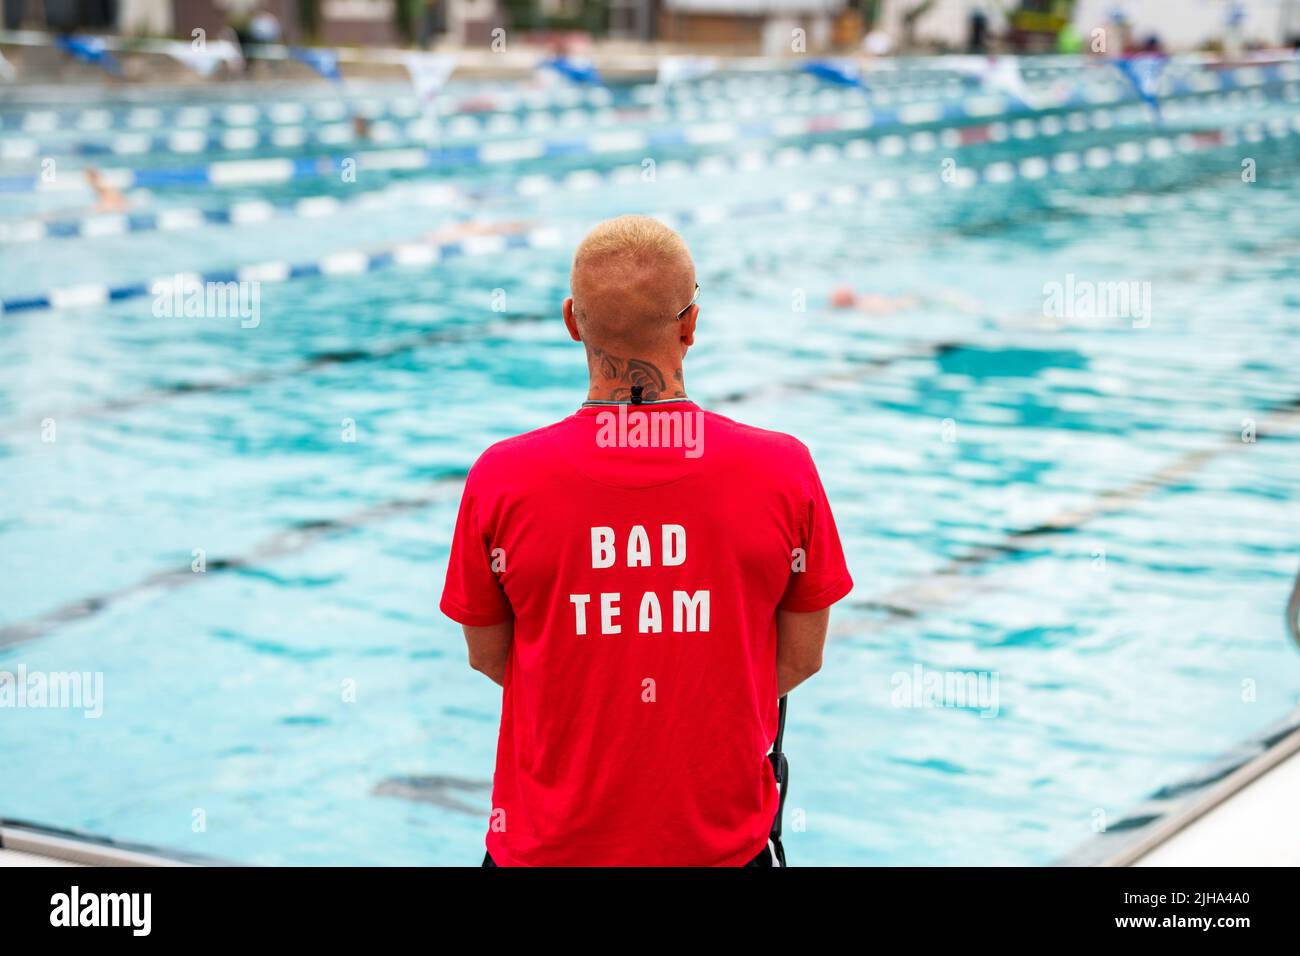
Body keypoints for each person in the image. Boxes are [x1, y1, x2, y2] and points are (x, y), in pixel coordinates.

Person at [440, 215, 854, 866]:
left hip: (545, 849)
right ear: (691, 324)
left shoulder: (503, 477)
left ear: (572, 321)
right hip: (719, 849)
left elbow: (493, 658)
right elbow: (799, 660)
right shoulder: (783, 469)